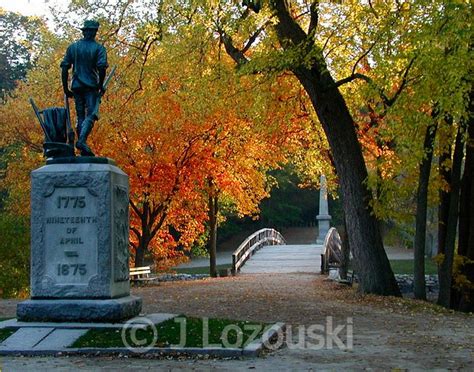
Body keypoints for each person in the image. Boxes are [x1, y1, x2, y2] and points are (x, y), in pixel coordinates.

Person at [61, 20, 108, 156]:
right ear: (94, 32)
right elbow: (101, 68)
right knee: (92, 114)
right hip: (91, 87)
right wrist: (100, 85)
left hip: (76, 86)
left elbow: (65, 68)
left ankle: (82, 147)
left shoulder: (73, 47)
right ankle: (81, 141)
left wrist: (66, 88)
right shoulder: (99, 49)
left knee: (80, 116)